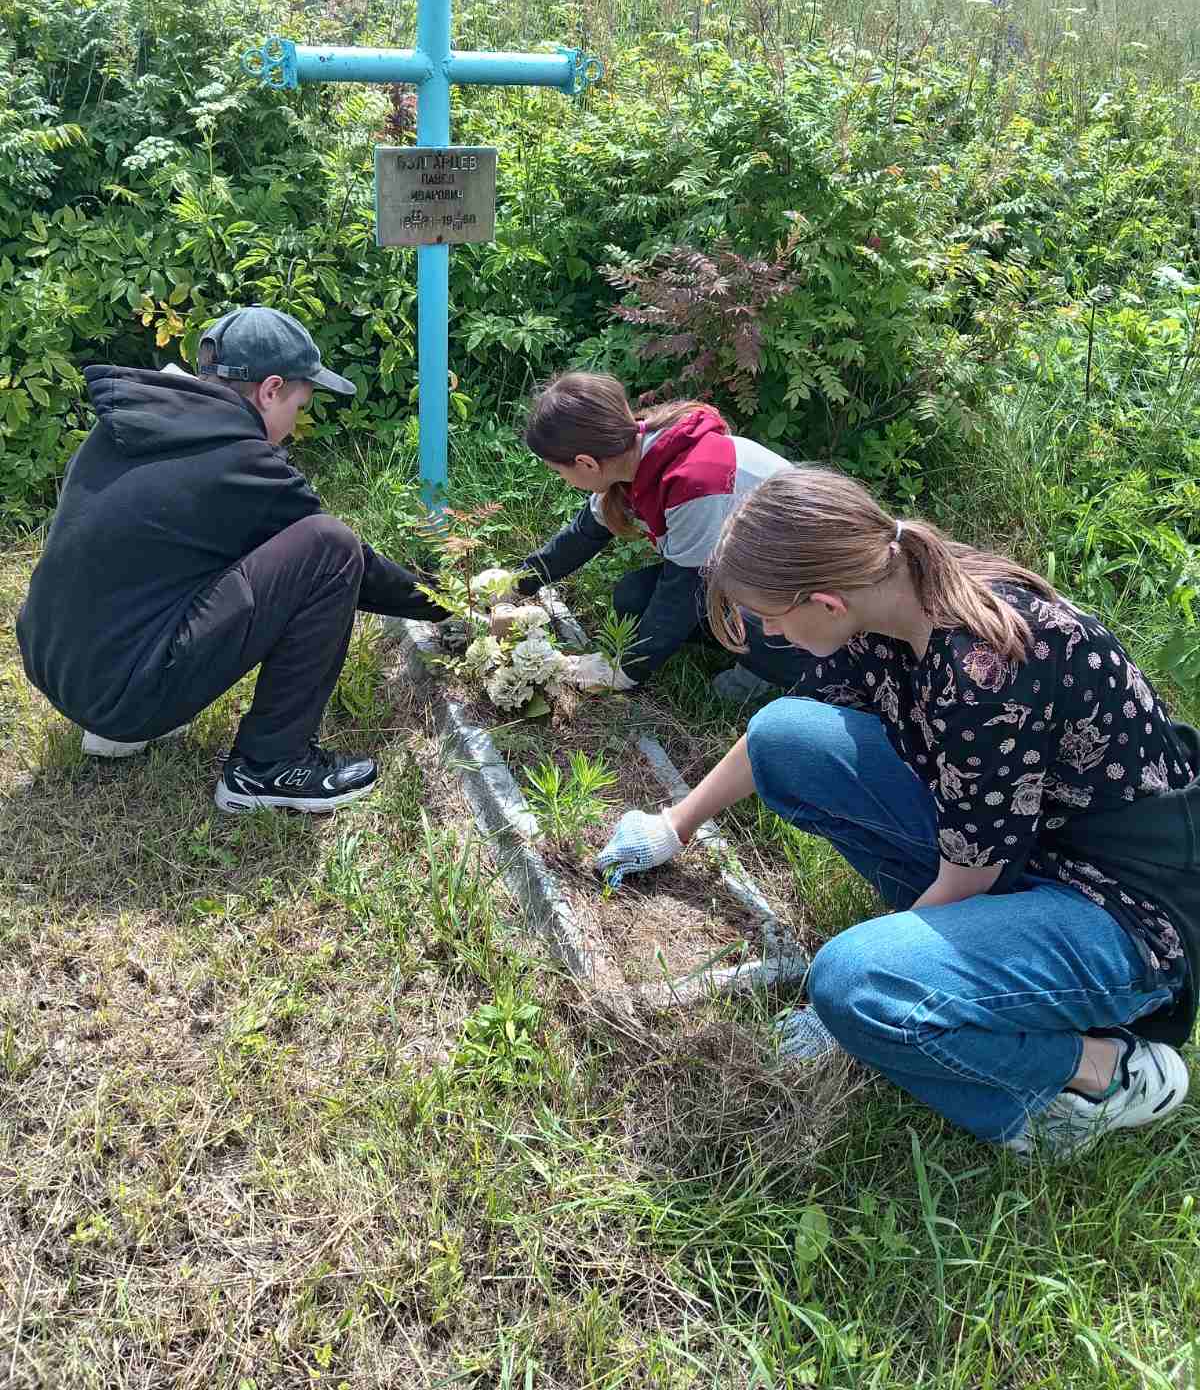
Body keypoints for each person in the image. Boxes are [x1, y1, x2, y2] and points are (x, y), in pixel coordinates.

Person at [595, 466, 1198, 1159]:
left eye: (771, 616)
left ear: (825, 602)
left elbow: (972, 875)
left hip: (1122, 911)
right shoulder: (886, 594)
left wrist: (860, 995)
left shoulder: (983, 673)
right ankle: (947, 966)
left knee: (855, 985)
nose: (769, 631)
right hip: (1027, 843)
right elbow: (785, 731)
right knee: (784, 737)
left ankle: (1101, 1072)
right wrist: (675, 824)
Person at [17, 307, 446, 815]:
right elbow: (358, 568)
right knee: (330, 547)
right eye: (300, 405)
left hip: (55, 662)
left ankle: (113, 725)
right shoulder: (239, 461)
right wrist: (448, 603)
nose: (295, 424)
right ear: (270, 390)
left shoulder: (136, 421)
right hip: (122, 693)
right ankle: (269, 767)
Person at [492, 372, 813, 701]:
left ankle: (782, 662)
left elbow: (683, 592)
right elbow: (582, 536)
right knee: (633, 597)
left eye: (559, 471)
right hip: (746, 574)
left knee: (720, 619)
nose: (562, 479)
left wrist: (624, 671)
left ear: (586, 463)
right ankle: (754, 643)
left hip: (803, 592)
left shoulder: (696, 483)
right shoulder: (633, 453)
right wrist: (517, 583)